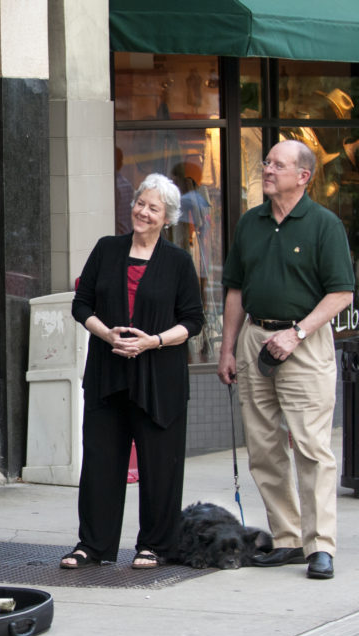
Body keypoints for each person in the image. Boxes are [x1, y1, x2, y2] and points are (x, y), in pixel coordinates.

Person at [218, 139, 355, 580]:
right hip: (255, 336)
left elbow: (341, 293)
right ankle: (288, 539)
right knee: (264, 450)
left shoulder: (324, 224)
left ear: (303, 176)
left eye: (278, 164)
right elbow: (236, 289)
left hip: (304, 341)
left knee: (313, 449)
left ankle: (321, 546)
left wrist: (297, 334)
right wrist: (227, 347)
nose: (268, 169)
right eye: (267, 162)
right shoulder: (250, 223)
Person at [61, 173, 203, 570]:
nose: (142, 211)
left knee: (160, 465)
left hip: (160, 377)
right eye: (140, 203)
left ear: (167, 217)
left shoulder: (178, 262)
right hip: (108, 373)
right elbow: (81, 304)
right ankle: (93, 545)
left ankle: (155, 545)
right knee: (101, 464)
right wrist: (106, 333)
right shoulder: (107, 249)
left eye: (153, 208)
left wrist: (151, 341)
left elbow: (193, 320)